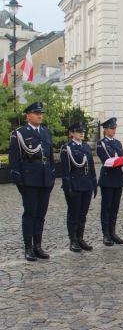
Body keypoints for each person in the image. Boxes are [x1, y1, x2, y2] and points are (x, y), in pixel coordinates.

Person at [9, 102, 55, 261]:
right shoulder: (19, 133)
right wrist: (19, 180)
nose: (40, 115)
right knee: (30, 213)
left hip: (45, 178)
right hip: (29, 179)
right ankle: (28, 247)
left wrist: (52, 174)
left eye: (41, 113)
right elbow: (14, 160)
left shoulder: (46, 132)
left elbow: (49, 156)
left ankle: (38, 246)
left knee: (41, 214)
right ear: (28, 116)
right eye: (36, 113)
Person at [60, 122, 97, 253]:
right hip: (75, 185)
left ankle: (80, 237)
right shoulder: (67, 148)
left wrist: (94, 182)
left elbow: (91, 167)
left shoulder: (86, 147)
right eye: (78, 131)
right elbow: (65, 170)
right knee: (73, 213)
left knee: (83, 214)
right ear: (71, 133)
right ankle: (73, 240)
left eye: (83, 131)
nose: (82, 133)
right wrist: (67, 186)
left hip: (86, 184)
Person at [96, 117, 123, 246]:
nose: (114, 130)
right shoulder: (101, 143)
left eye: (115, 128)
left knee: (115, 207)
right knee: (106, 207)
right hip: (108, 178)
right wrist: (122, 160)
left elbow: (121, 157)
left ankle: (113, 233)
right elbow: (107, 160)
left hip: (118, 178)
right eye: (111, 128)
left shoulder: (118, 143)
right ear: (105, 129)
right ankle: (106, 234)